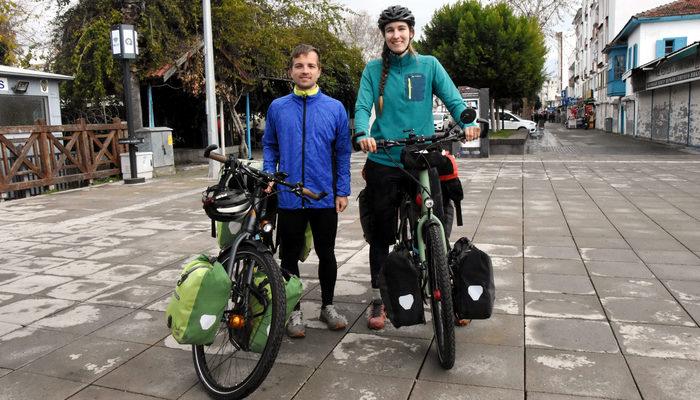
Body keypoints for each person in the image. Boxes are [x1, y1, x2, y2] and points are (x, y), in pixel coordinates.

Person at [354, 5, 480, 330]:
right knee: (381, 235)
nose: (396, 35)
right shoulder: (373, 69)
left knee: (436, 222)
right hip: (385, 159)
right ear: (384, 35)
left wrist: (468, 121)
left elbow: (455, 100)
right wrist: (363, 133)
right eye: (390, 30)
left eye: (401, 29)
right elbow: (363, 104)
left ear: (411, 32)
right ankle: (380, 300)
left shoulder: (429, 65)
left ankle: (448, 293)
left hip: (422, 156)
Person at [263, 44, 352, 338]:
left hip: (323, 195)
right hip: (288, 195)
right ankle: (294, 310)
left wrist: (342, 190)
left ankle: (328, 306)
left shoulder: (334, 108)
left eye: (310, 66)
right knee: (288, 255)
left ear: (319, 71)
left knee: (327, 253)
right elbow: (270, 145)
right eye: (299, 66)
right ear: (291, 71)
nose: (305, 71)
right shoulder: (278, 107)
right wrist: (269, 173)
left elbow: (342, 153)